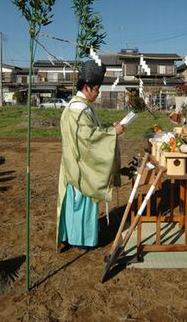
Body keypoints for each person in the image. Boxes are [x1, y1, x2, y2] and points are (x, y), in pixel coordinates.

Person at [56, 60, 124, 251]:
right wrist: (112, 133)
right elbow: (88, 140)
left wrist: (110, 127)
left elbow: (92, 132)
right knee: (81, 203)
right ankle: (80, 239)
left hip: (75, 163)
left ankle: (72, 235)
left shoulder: (79, 106)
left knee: (73, 204)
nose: (98, 92)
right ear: (87, 87)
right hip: (82, 167)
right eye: (97, 89)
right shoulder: (78, 110)